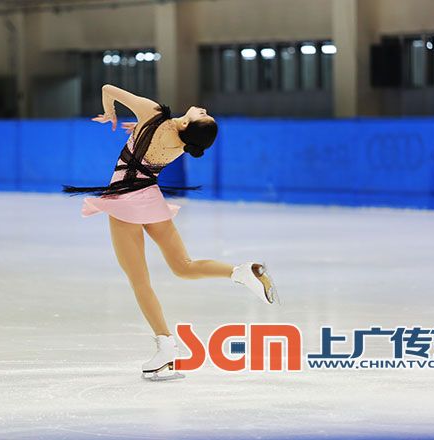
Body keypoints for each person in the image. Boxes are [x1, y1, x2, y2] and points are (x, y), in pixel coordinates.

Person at [62, 84, 279, 380]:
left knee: (139, 281)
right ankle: (241, 272)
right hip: (150, 200)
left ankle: (165, 346)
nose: (204, 109)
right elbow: (159, 137)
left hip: (125, 201)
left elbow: (107, 88)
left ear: (188, 123)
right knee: (183, 266)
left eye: (203, 114)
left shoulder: (152, 113)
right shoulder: (181, 144)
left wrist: (110, 114)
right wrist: (139, 129)